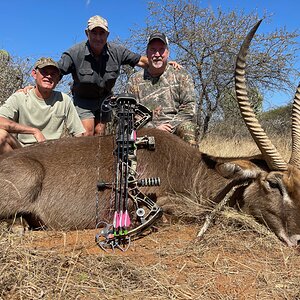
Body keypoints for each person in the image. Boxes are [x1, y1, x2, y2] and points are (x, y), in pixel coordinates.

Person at [56, 15, 179, 136]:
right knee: (86, 133)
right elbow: (56, 72)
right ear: (87, 33)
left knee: (99, 133)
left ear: (107, 35)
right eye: (94, 33)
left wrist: (164, 64)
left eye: (101, 33)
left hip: (105, 100)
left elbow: (141, 61)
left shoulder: (117, 51)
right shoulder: (74, 52)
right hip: (83, 100)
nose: (98, 37)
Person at [0, 57, 85, 154]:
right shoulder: (20, 97)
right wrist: (34, 131)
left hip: (51, 155)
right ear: (34, 74)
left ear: (58, 79)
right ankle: (14, 168)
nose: (49, 76)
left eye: (53, 74)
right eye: (44, 72)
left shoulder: (64, 100)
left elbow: (79, 134)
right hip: (22, 152)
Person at [126, 32, 198, 146]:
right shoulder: (134, 80)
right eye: (153, 50)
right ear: (147, 53)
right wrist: (154, 129)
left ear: (168, 53)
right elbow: (130, 111)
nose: (157, 54)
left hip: (173, 128)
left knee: (188, 128)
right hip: (145, 131)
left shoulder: (181, 75)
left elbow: (189, 108)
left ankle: (193, 164)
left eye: (161, 50)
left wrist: (170, 127)